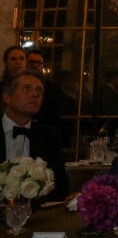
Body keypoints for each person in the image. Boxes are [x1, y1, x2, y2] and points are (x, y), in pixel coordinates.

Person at [0, 69, 69, 200]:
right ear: (7, 97)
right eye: (27, 89)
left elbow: (60, 185)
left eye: (39, 91)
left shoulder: (49, 135)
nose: (35, 94)